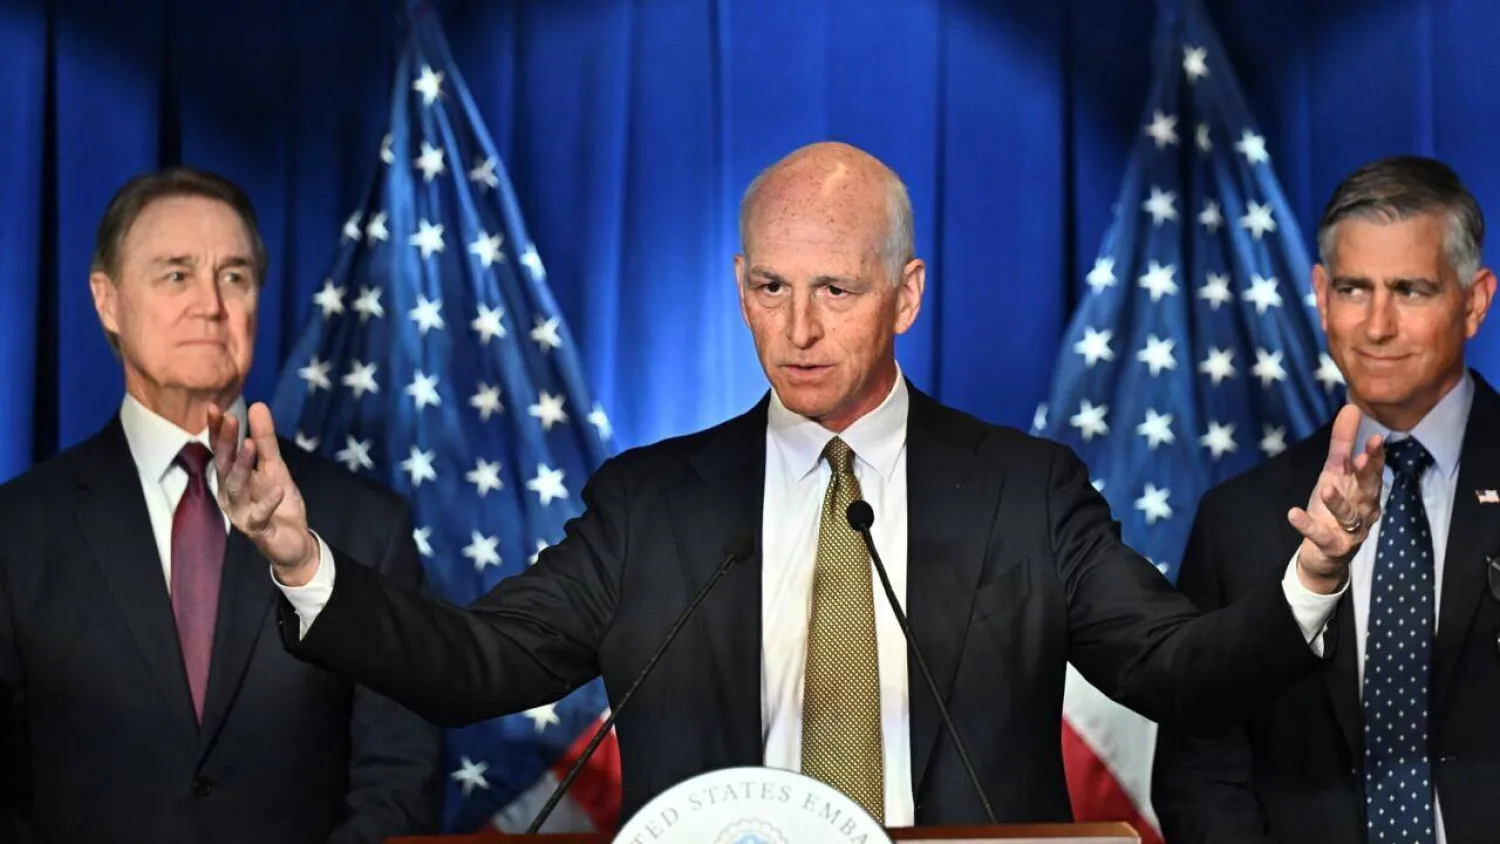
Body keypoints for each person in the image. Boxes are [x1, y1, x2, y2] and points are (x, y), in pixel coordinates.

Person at [215, 142, 1381, 829]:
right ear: (739, 284)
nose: (798, 327)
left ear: (907, 295)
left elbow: (1171, 668)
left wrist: (1313, 580)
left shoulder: (1026, 492)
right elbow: (474, 668)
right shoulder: (653, 502)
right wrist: (303, 563)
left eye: (835, 289)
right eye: (770, 287)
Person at [0, 167, 443, 844]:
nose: (210, 303)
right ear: (108, 300)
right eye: (175, 274)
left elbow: (401, 777)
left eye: (234, 276)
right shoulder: (17, 530)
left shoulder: (366, 526)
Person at [1151, 155, 1500, 844]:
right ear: (1320, 294)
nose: (1376, 325)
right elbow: (1200, 771)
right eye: (1352, 288)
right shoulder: (1239, 519)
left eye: (1411, 290)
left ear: (1474, 301)